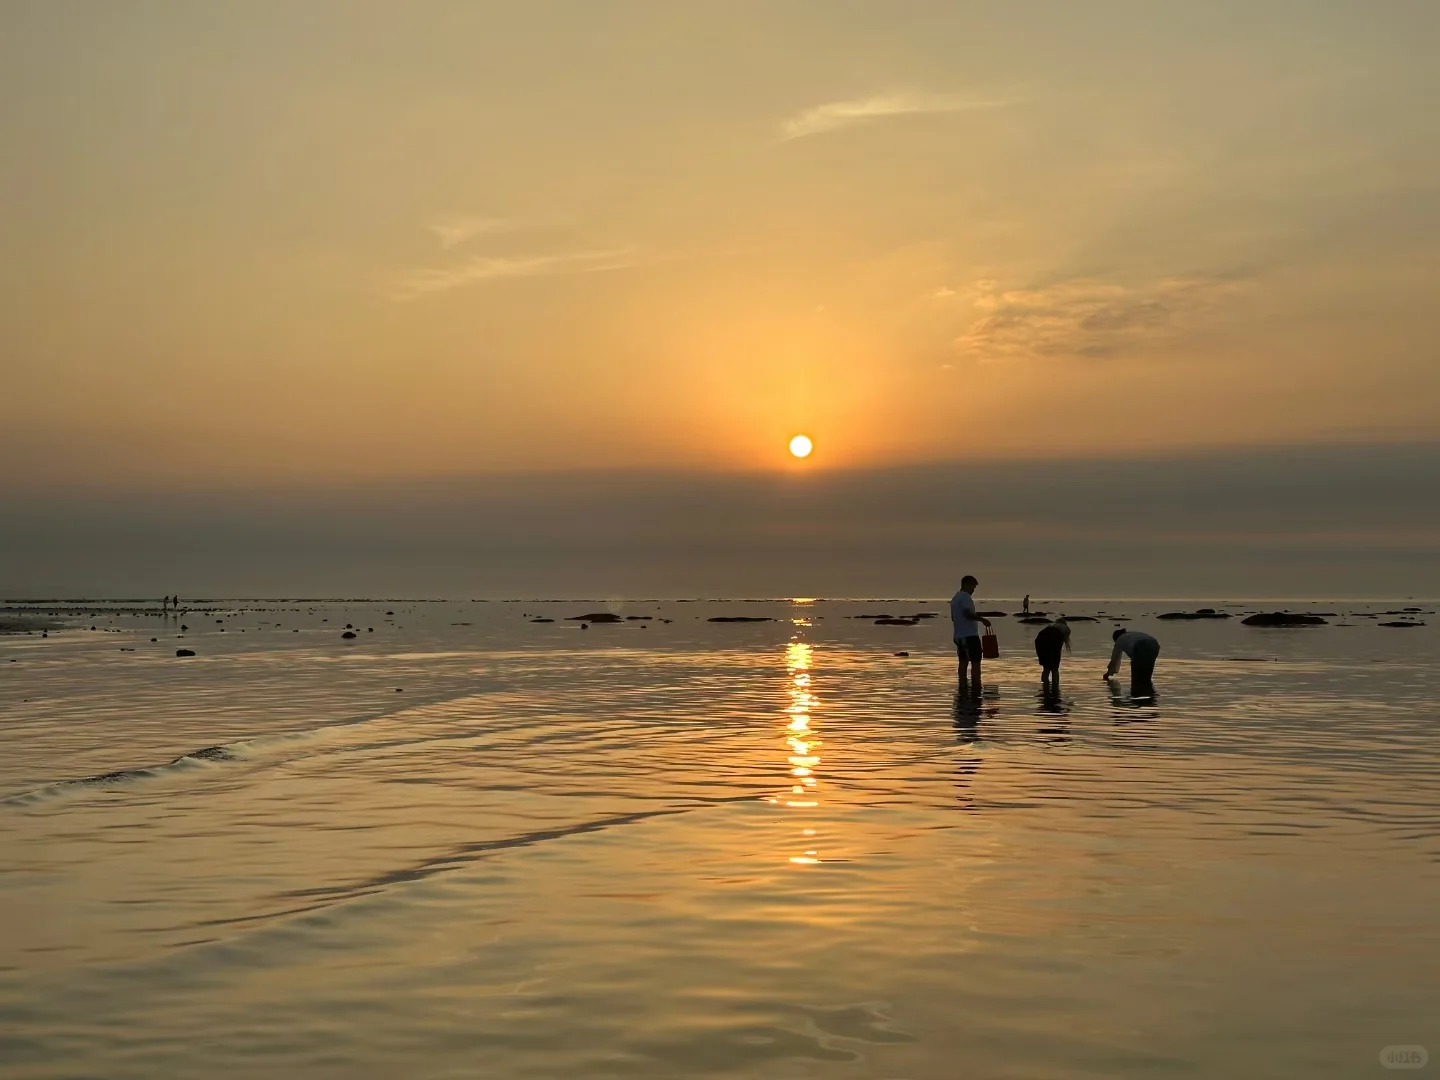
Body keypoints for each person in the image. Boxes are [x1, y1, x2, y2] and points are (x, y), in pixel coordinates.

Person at [950, 575, 992, 693]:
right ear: (967, 584)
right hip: (969, 636)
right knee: (975, 662)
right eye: (973, 587)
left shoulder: (955, 598)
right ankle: (976, 687)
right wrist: (982, 620)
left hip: (958, 636)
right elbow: (967, 614)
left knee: (963, 661)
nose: (973, 590)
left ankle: (962, 686)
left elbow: (953, 618)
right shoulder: (965, 597)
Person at [1105, 628, 1160, 696]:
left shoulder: (1119, 640)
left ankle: (1138, 698)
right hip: (1154, 645)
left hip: (1140, 646)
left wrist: (1108, 674)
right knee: (1147, 678)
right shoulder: (1132, 634)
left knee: (1136, 680)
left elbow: (1115, 659)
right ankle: (1150, 697)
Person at [1034, 617, 1071, 693]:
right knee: (1055, 668)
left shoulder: (1050, 625)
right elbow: (1062, 643)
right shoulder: (1066, 628)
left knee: (1046, 668)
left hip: (1040, 641)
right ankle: (1055, 688)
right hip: (1052, 641)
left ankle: (1045, 687)